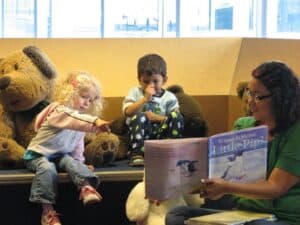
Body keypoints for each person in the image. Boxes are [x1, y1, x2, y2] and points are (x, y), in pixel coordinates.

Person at [166, 61, 300, 225]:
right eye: (249, 93)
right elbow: (219, 173)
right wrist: (171, 188)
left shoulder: (295, 132)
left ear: (280, 98)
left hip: (283, 217)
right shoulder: (243, 126)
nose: (250, 101)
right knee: (177, 214)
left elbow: (275, 187)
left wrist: (226, 188)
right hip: (244, 212)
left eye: (257, 96)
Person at [23, 71, 111, 225]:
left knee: (71, 162)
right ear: (70, 93)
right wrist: (95, 121)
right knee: (47, 168)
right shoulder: (59, 111)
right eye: (84, 97)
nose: (87, 103)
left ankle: (86, 187)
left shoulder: (79, 119)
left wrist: (79, 163)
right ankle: (47, 211)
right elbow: (74, 120)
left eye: (90, 100)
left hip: (59, 156)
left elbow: (77, 145)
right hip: (37, 155)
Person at [123, 53, 184, 166]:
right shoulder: (135, 92)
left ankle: (172, 150)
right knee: (140, 116)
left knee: (177, 117)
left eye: (155, 81)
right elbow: (127, 112)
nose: (151, 85)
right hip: (141, 134)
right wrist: (144, 99)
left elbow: (175, 117)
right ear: (139, 79)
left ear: (164, 80)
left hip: (162, 134)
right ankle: (137, 154)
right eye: (146, 82)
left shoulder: (169, 97)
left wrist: (157, 118)